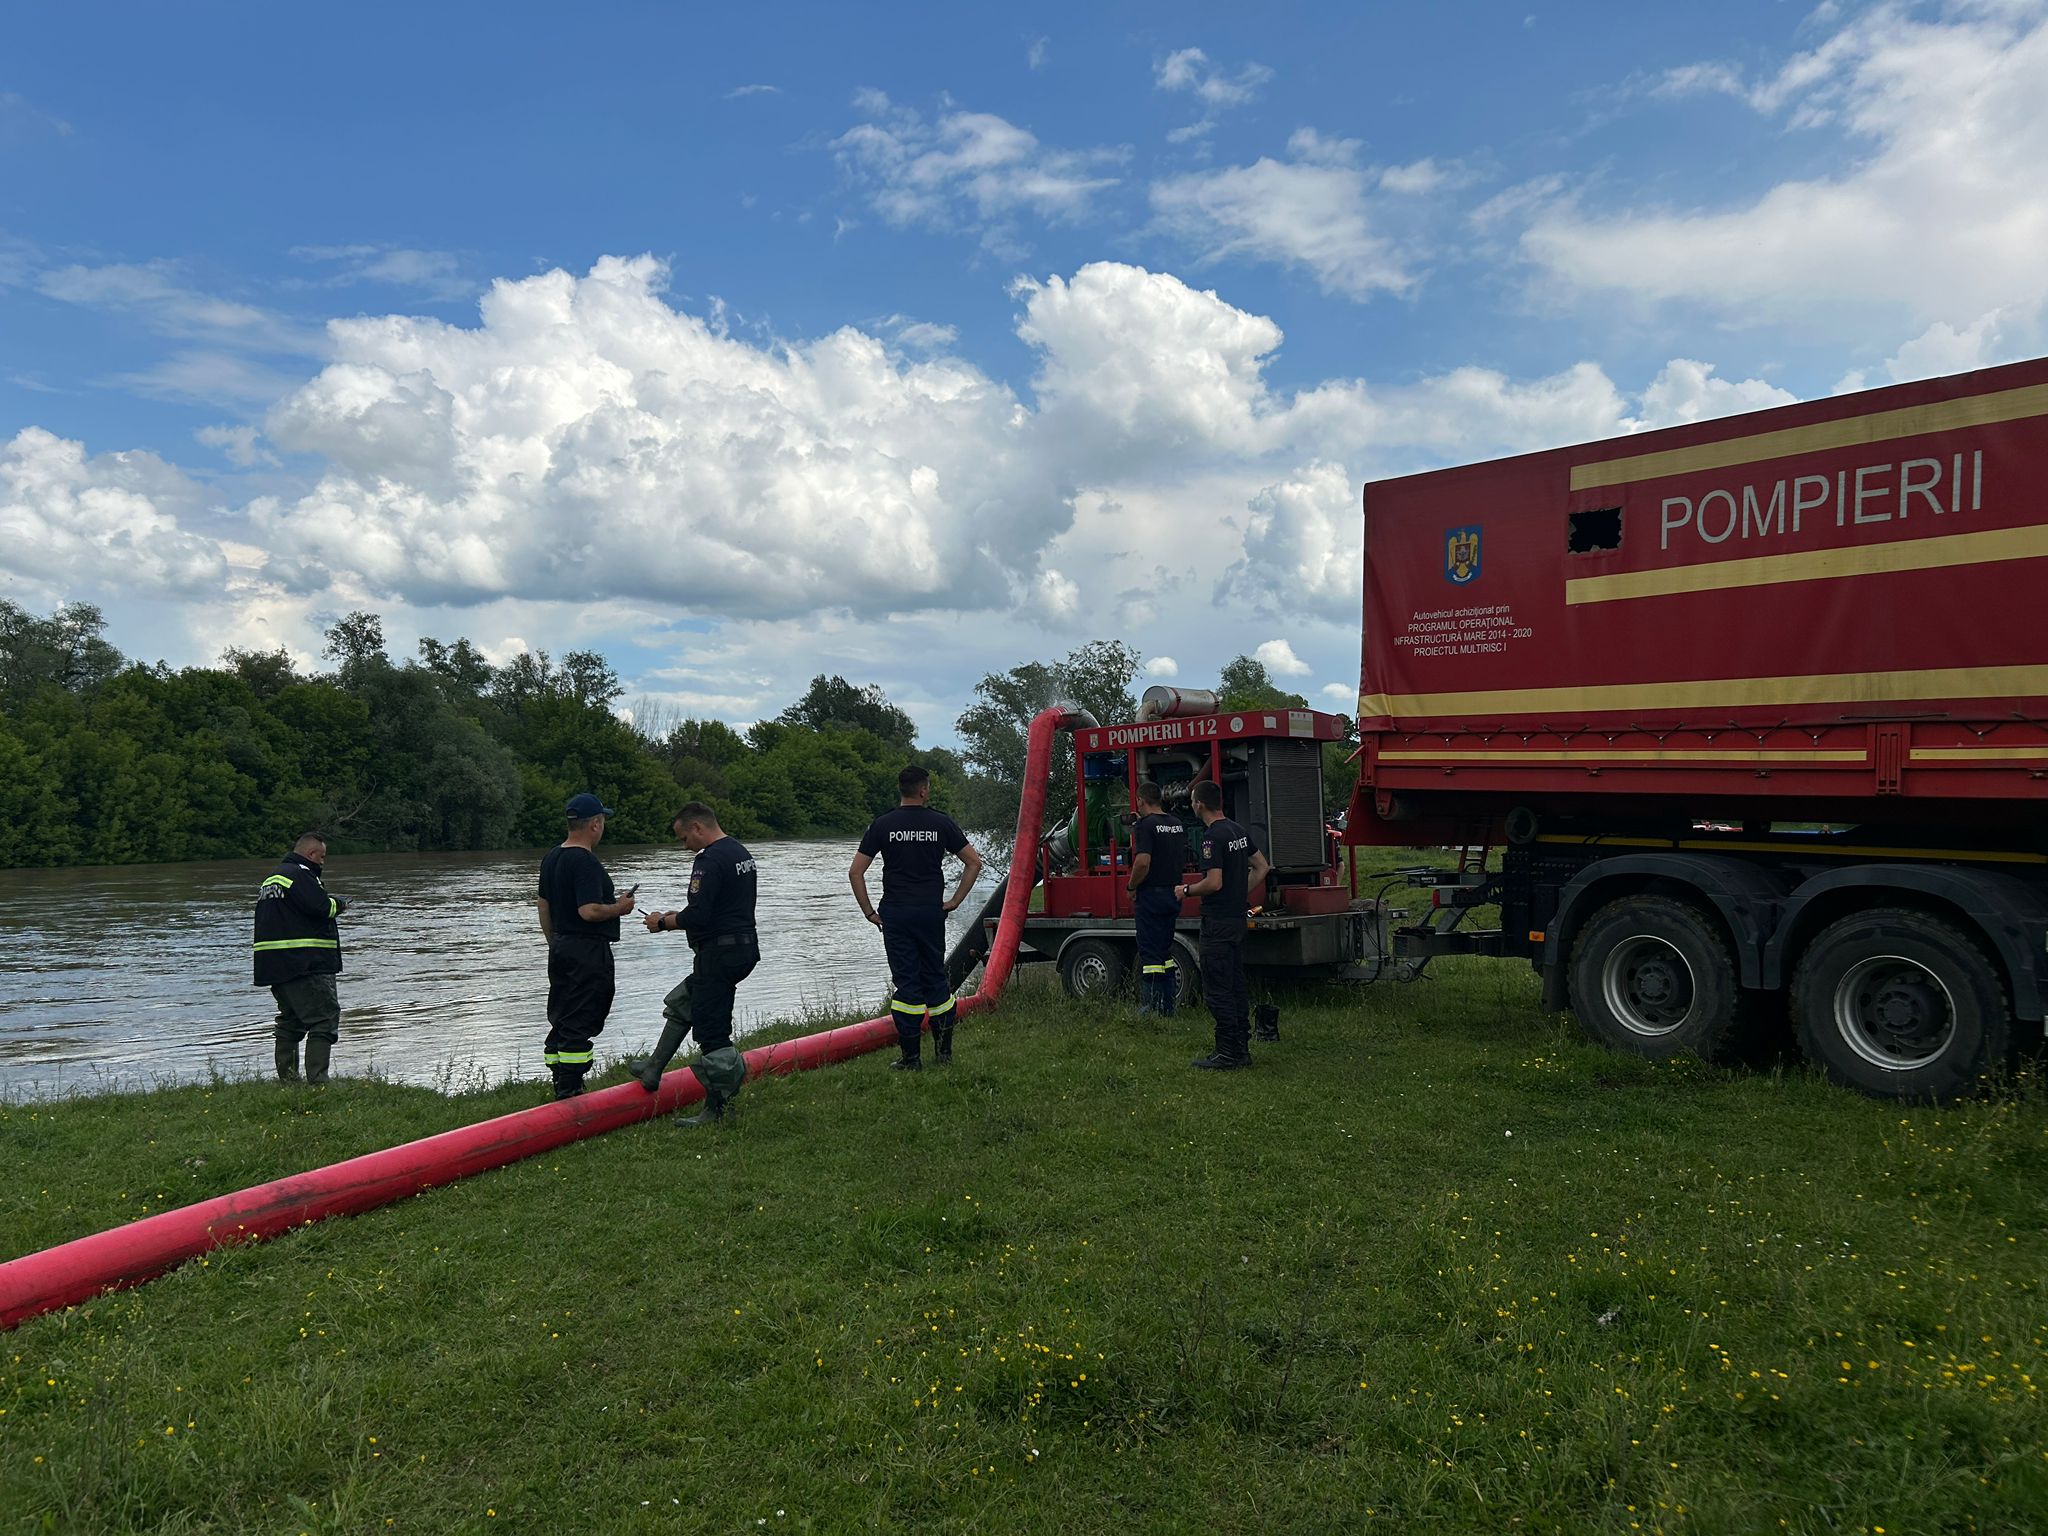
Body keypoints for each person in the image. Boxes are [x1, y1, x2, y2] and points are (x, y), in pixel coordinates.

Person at [631, 802, 759, 1127]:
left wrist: (663, 923)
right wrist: (677, 915)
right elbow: (720, 907)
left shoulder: (709, 860)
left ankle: (717, 1111)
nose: (683, 846)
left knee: (712, 1032)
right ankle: (653, 1069)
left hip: (719, 953)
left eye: (683, 838)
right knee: (686, 1000)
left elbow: (699, 915)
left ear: (698, 828)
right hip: (742, 948)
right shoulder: (740, 853)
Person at [850, 764, 984, 1069]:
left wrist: (869, 912)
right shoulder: (941, 823)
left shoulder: (882, 825)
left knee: (907, 983)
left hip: (895, 913)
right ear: (923, 790)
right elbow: (974, 863)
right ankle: (944, 1055)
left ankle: (911, 1058)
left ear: (901, 790)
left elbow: (855, 872)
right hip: (930, 911)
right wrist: (954, 901)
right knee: (936, 978)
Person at [536, 792, 636, 1100]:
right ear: (595, 824)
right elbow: (589, 910)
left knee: (563, 1014)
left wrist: (554, 942)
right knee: (583, 1015)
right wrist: (620, 907)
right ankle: (571, 1091)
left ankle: (560, 1080)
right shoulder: (585, 861)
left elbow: (543, 905)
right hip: (587, 949)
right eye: (602, 821)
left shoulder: (552, 857)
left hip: (561, 946)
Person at [1174, 779, 1271, 1070]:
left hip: (1217, 921)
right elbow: (1262, 866)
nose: (1192, 804)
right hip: (1237, 918)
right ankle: (1241, 1046)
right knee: (1235, 984)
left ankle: (1227, 1052)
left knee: (1217, 987)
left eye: (1192, 800)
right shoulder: (1238, 831)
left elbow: (1213, 882)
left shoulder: (1211, 837)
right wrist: (1240, 892)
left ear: (1199, 804)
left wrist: (1186, 891)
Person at [254, 832, 350, 1085]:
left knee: (291, 1021)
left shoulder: (273, 878)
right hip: (305, 963)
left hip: (274, 964)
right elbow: (322, 908)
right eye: (322, 856)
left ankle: (288, 1079)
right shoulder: (300, 875)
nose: (323, 862)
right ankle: (319, 1081)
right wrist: (339, 903)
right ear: (311, 854)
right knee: (324, 1018)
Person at [1125, 781, 1187, 1015]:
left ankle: (1150, 1007)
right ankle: (1168, 1007)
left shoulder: (1145, 826)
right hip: (1173, 893)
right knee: (1165, 951)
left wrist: (1131, 885)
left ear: (1141, 801)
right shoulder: (1177, 824)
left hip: (1151, 894)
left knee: (1150, 953)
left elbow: (1143, 862)